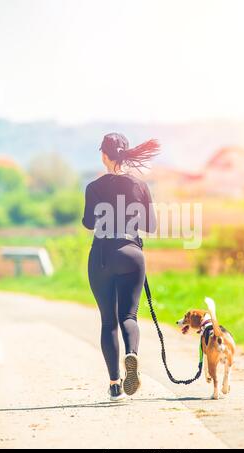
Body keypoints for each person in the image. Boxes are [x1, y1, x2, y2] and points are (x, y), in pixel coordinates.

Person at [82, 132, 159, 401]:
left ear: (104, 156)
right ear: (125, 155)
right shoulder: (140, 185)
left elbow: (89, 223)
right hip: (131, 253)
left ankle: (115, 385)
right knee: (129, 316)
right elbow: (151, 225)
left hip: (102, 255)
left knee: (108, 321)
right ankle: (132, 355)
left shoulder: (93, 187)